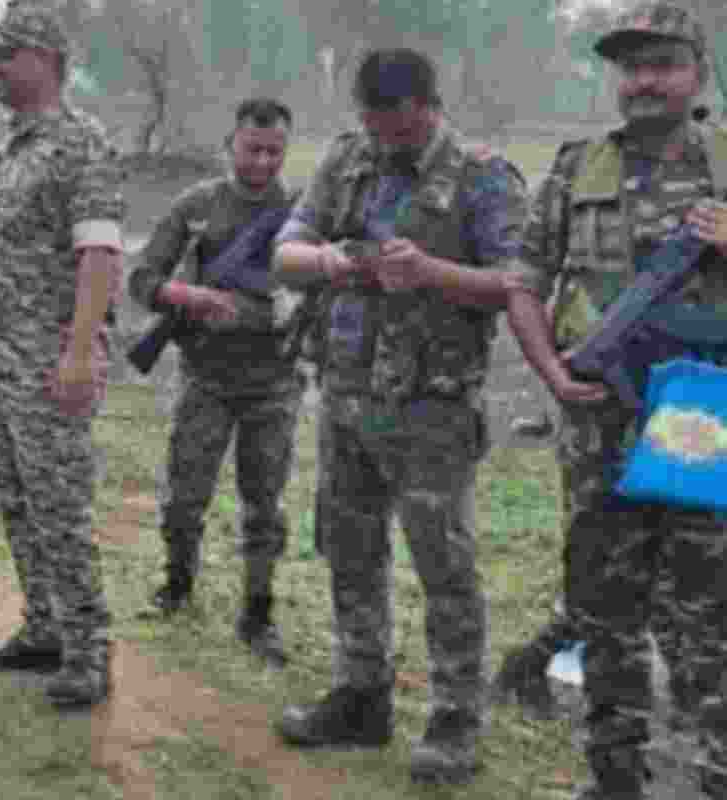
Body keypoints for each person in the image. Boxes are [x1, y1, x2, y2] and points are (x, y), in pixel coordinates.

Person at [269, 48, 528, 784]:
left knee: (445, 566)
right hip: (345, 394)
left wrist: (433, 274)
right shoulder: (349, 159)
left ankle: (454, 721)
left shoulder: (482, 177)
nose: (384, 140)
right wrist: (334, 263)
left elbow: (518, 283)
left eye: (397, 127)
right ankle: (361, 694)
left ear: (427, 106)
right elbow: (285, 251)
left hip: (432, 408)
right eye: (372, 124)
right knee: (349, 554)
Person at [503, 4, 727, 797]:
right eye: (631, 66)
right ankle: (614, 779)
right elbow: (523, 284)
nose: (644, 80)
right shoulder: (575, 166)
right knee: (606, 613)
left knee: (709, 617)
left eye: (662, 62)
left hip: (702, 423)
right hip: (598, 422)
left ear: (697, 71)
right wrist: (554, 377)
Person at [0, 1, 123, 710]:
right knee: (20, 502)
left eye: (5, 55)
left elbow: (98, 254)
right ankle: (43, 628)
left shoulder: (80, 144)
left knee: (59, 506)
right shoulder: (9, 150)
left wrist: (80, 354)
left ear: (45, 62)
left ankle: (88, 651)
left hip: (49, 363)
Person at [126, 97, 306, 667]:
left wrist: (287, 307)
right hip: (205, 377)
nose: (263, 161)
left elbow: (316, 285)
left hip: (273, 384)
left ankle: (258, 611)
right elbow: (142, 277)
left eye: (275, 150)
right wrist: (189, 296)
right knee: (184, 497)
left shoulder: (301, 212)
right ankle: (177, 586)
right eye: (253, 148)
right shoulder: (198, 204)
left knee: (264, 503)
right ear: (231, 143)